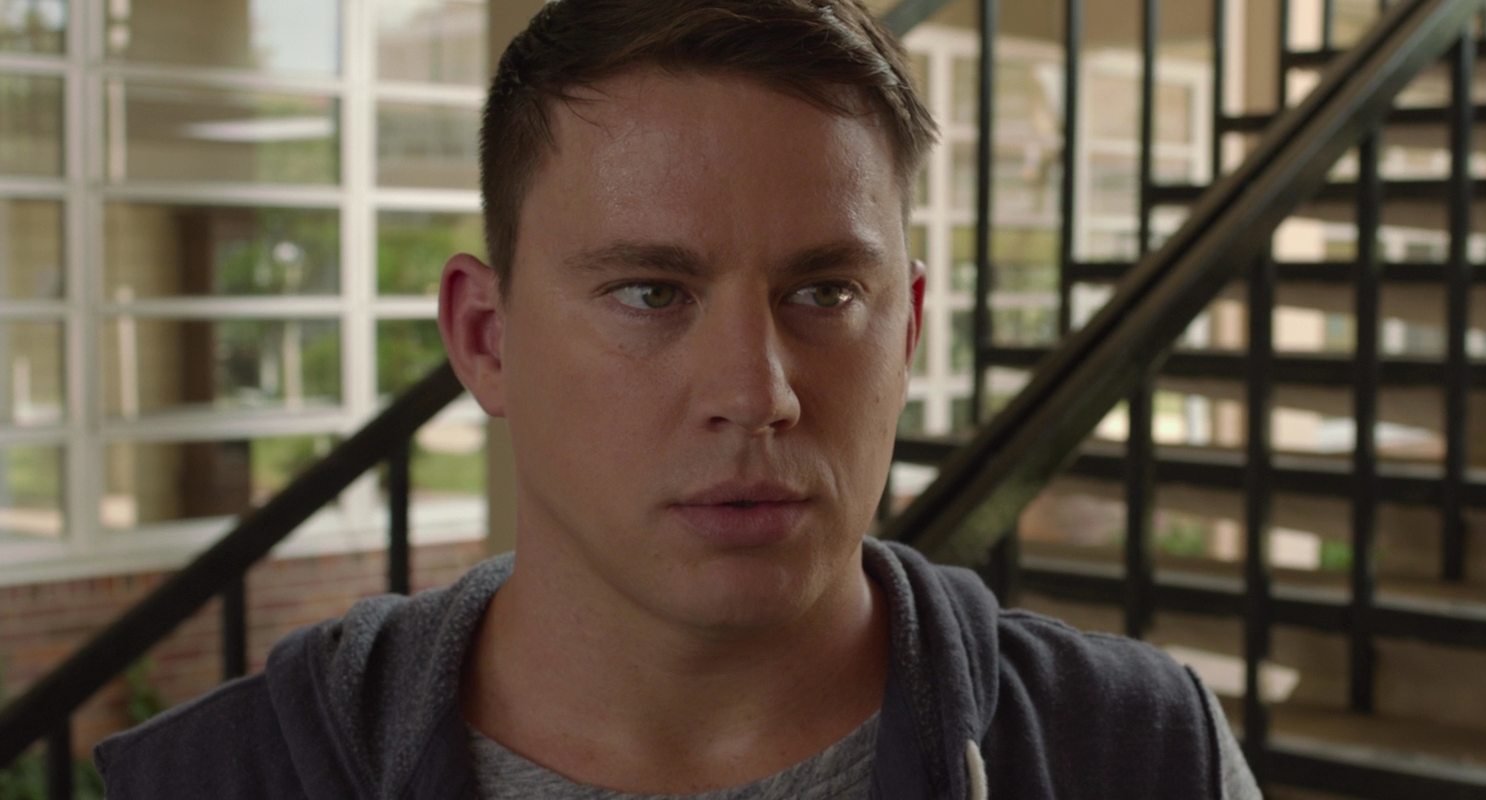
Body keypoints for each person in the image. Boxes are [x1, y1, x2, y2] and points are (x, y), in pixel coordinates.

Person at [95, 1, 1261, 797]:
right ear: (487, 338)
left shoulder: (1137, 752)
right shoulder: (223, 775)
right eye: (651, 291)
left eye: (824, 291)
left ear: (907, 328)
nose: (757, 392)